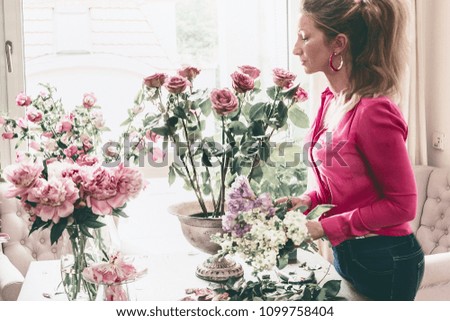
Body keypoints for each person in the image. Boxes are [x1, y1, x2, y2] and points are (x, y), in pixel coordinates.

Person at [280, 0, 425, 300]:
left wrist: (325, 228)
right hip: (349, 256)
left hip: (387, 261)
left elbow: (403, 206)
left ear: (338, 44)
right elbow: (341, 188)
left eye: (305, 37)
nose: (296, 49)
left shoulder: (373, 112)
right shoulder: (329, 101)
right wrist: (306, 200)